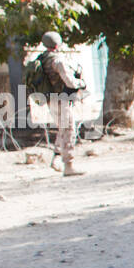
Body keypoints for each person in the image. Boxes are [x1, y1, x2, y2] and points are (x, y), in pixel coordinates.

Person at [36, 32, 85, 177]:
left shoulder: (43, 58)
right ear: (57, 44)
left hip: (51, 99)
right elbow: (69, 81)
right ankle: (68, 165)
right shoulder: (57, 60)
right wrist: (81, 83)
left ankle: (56, 159)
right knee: (69, 130)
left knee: (62, 129)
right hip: (61, 99)